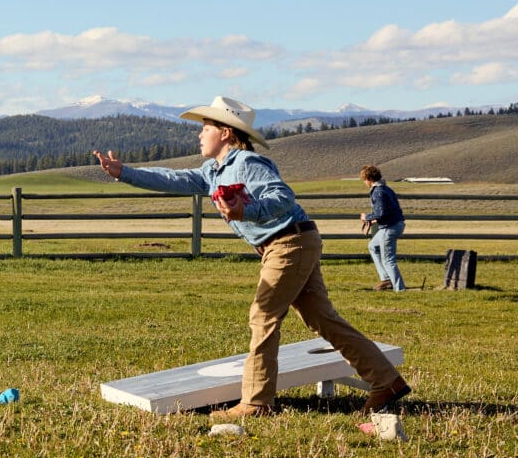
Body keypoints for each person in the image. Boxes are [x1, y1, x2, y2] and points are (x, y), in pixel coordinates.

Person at [94, 96, 411, 421]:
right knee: (322, 319)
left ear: (227, 133)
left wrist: (247, 210)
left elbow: (282, 196)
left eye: (206, 128)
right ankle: (385, 381)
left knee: (263, 316)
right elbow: (175, 179)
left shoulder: (247, 163)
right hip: (294, 241)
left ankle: (257, 403)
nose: (199, 135)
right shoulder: (213, 170)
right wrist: (124, 172)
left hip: (289, 242)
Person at [360, 165, 406, 292]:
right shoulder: (386, 189)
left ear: (369, 178)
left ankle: (399, 289)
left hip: (389, 228)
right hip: (396, 224)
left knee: (388, 259)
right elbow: (388, 211)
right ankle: (386, 279)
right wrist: (375, 219)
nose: (364, 182)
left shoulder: (378, 192)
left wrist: (367, 217)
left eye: (364, 179)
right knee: (373, 247)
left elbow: (381, 213)